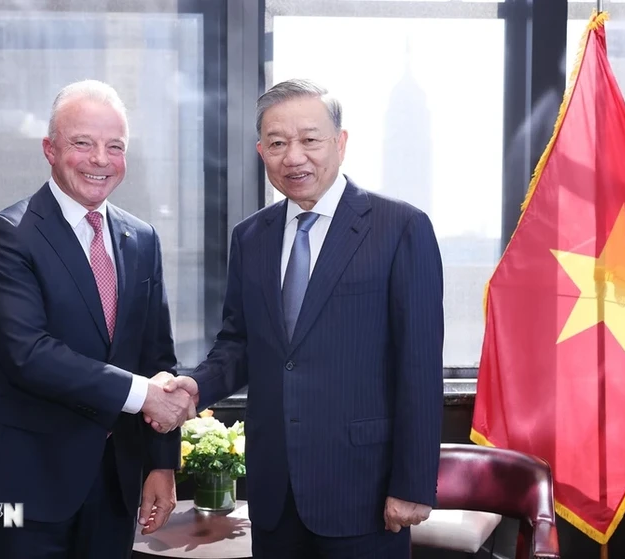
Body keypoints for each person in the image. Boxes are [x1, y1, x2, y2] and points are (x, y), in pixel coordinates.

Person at [158, 78, 444, 557]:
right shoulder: (251, 237)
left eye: (310, 139)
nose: (294, 156)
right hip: (274, 492)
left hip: (365, 490)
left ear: (341, 142)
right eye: (277, 143)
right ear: (261, 150)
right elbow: (239, 344)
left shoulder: (400, 228)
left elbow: (418, 367)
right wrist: (197, 386)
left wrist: (413, 484)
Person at [0, 79, 195, 559]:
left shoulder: (142, 237)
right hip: (22, 487)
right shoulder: (6, 235)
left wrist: (161, 464)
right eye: (83, 143)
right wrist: (143, 397)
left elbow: (158, 354)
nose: (100, 159)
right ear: (49, 149)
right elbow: (29, 355)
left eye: (115, 147)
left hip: (116, 485)